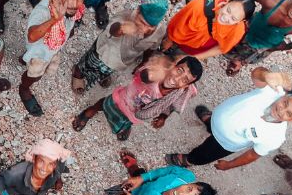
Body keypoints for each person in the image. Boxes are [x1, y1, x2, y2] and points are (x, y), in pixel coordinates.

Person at [166, 68, 292, 170]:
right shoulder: (274, 89)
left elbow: (252, 155)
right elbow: (256, 74)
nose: (281, 110)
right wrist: (267, 75)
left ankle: (188, 160)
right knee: (213, 123)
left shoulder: (275, 138)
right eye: (285, 103)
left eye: (289, 114)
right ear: (285, 96)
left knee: (203, 154)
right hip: (218, 116)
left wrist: (229, 165)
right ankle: (210, 122)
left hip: (223, 144)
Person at [73, 53, 202, 142]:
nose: (177, 79)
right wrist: (153, 74)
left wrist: (163, 117)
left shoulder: (177, 93)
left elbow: (169, 106)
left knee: (127, 119)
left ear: (185, 86)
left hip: (136, 114)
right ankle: (91, 110)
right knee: (106, 103)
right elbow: (144, 74)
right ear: (173, 66)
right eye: (179, 70)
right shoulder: (156, 72)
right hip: (123, 98)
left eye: (185, 80)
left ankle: (125, 125)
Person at [70, 0, 169, 94]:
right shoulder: (125, 17)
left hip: (122, 61)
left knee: (106, 70)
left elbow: (151, 47)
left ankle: (102, 74)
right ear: (138, 11)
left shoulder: (160, 31)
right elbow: (112, 30)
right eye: (142, 22)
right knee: (90, 64)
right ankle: (78, 72)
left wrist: (144, 62)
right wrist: (121, 29)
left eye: (150, 27)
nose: (144, 29)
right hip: (104, 53)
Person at [17, 0, 87, 116]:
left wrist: (68, 32)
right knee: (35, 75)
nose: (75, 4)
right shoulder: (45, 10)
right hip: (40, 53)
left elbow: (72, 21)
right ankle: (24, 88)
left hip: (53, 49)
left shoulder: (72, 9)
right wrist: (55, 19)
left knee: (35, 62)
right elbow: (31, 36)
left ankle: (24, 57)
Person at [163, 0, 255, 61]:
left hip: (196, 49)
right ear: (227, 2)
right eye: (228, 10)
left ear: (241, 21)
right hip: (178, 37)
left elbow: (221, 48)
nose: (226, 17)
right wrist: (168, 40)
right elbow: (178, 24)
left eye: (233, 18)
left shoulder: (238, 30)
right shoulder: (199, 5)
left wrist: (192, 58)